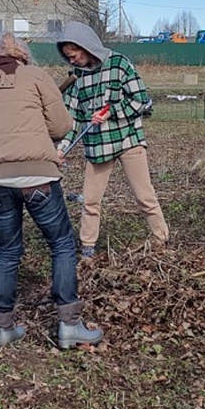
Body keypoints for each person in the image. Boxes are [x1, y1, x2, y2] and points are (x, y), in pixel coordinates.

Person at [0, 33, 104, 349]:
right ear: (23, 57)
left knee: (8, 250)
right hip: (38, 176)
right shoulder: (35, 76)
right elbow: (61, 127)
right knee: (60, 244)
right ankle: (70, 325)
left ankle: (4, 328)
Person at [56, 21, 169, 258]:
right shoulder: (76, 78)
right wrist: (62, 148)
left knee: (144, 196)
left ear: (85, 47)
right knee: (90, 200)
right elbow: (72, 119)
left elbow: (140, 100)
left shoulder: (118, 64)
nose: (72, 61)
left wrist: (111, 112)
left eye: (74, 55)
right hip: (97, 146)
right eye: (68, 57)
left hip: (128, 139)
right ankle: (87, 249)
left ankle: (161, 240)